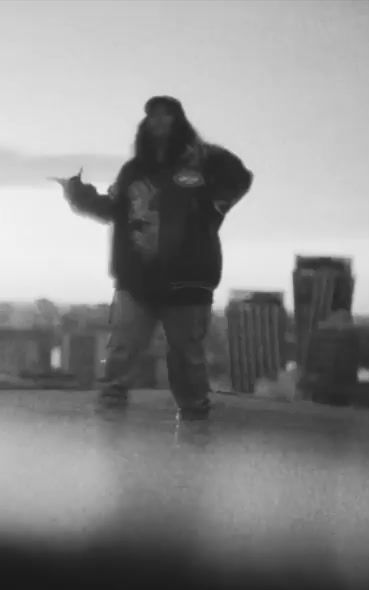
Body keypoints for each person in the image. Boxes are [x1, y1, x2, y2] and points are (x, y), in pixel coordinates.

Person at [60, 95, 253, 421]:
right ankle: (112, 402)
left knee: (187, 354)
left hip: (188, 277)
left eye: (168, 115)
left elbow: (239, 177)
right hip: (138, 277)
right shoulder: (134, 171)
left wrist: (210, 185)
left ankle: (194, 413)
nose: (160, 122)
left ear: (180, 122)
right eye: (154, 116)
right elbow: (115, 209)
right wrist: (81, 196)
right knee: (123, 345)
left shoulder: (203, 166)